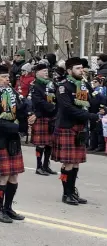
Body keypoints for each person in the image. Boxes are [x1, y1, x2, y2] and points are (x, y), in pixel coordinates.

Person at [0, 64, 36, 223]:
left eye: (8, 77)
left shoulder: (12, 93)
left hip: (13, 139)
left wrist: (29, 114)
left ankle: (8, 208)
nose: (7, 80)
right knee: (4, 177)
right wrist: (17, 127)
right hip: (0, 139)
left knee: (14, 176)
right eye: (4, 77)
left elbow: (22, 108)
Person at [52, 57, 100, 205]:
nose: (81, 70)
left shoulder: (83, 84)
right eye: (78, 68)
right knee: (68, 163)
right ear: (69, 71)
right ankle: (66, 194)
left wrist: (97, 97)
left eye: (82, 68)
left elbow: (93, 102)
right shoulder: (63, 86)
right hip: (67, 126)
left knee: (76, 163)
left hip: (80, 127)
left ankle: (72, 191)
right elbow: (68, 108)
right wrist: (89, 116)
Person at [30, 63, 58, 176]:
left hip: (52, 116)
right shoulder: (35, 85)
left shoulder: (51, 84)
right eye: (43, 71)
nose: (46, 72)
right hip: (41, 116)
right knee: (41, 144)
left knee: (49, 143)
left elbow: (56, 97)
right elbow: (38, 101)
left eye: (47, 71)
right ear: (37, 73)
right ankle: (38, 167)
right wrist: (51, 107)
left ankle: (46, 166)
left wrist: (56, 107)